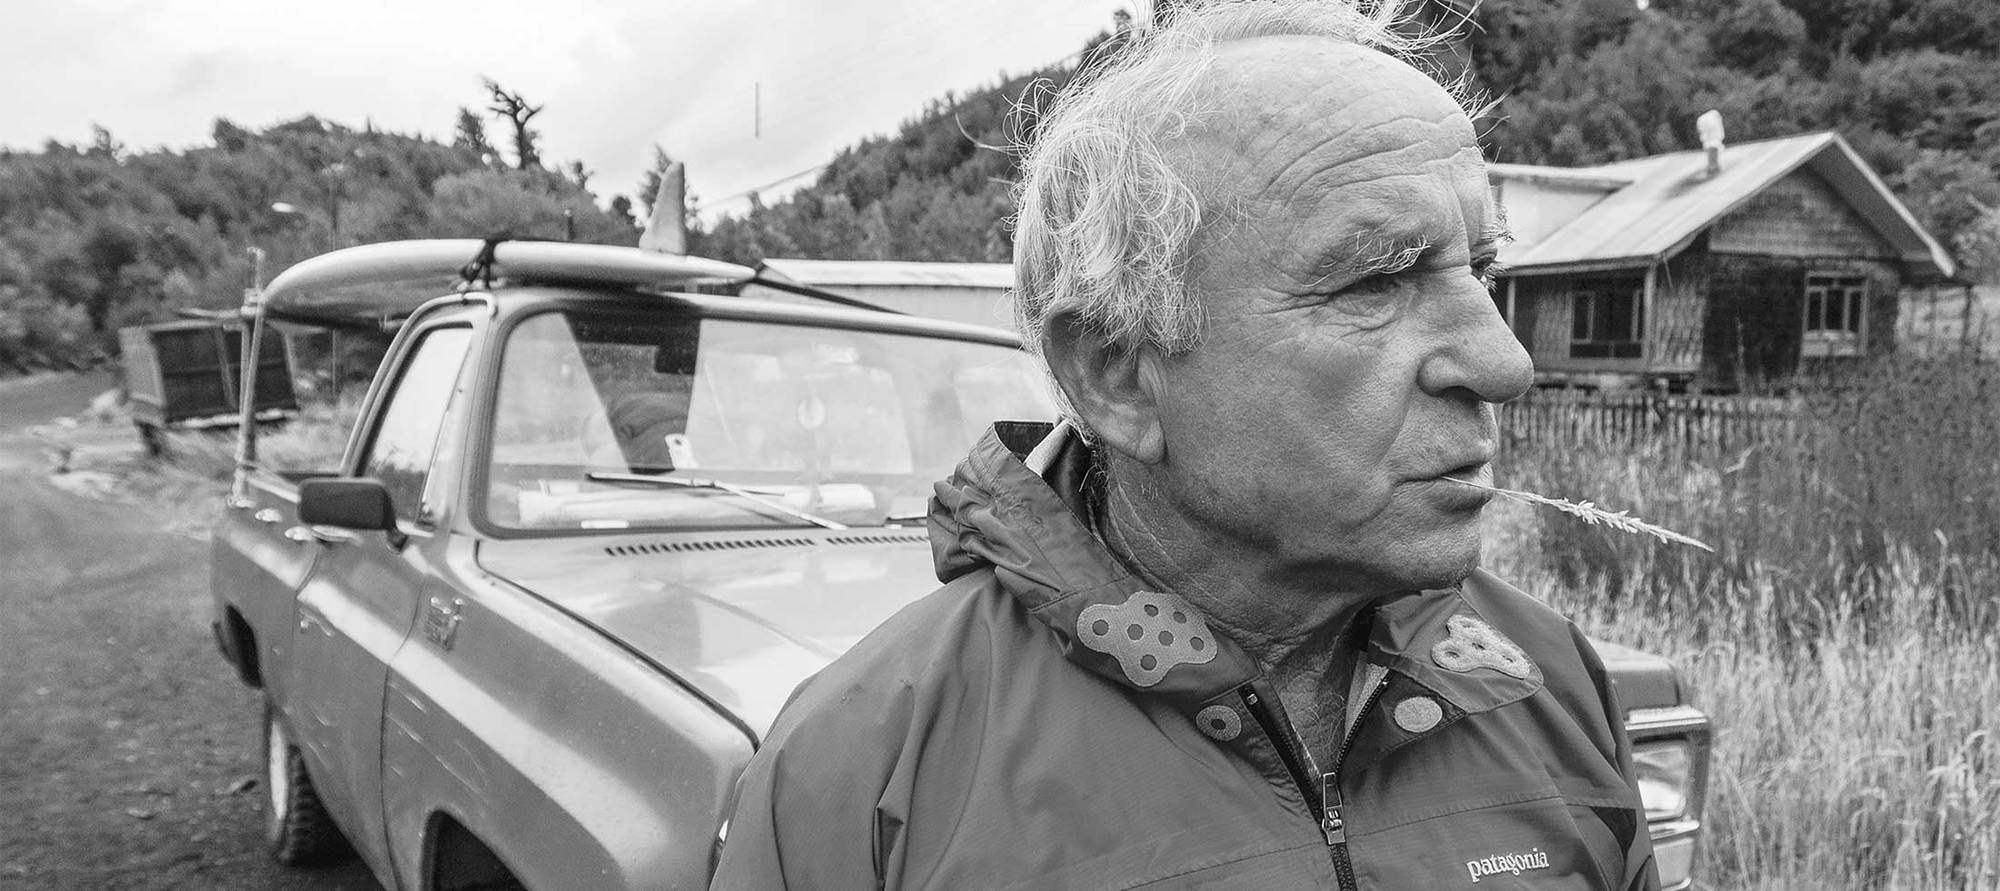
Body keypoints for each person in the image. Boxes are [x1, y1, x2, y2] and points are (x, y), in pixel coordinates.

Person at [710, 1, 1658, 888]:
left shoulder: (1545, 679)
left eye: (1482, 269)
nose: (1504, 361)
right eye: (1377, 281)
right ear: (1118, 373)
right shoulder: (868, 769)